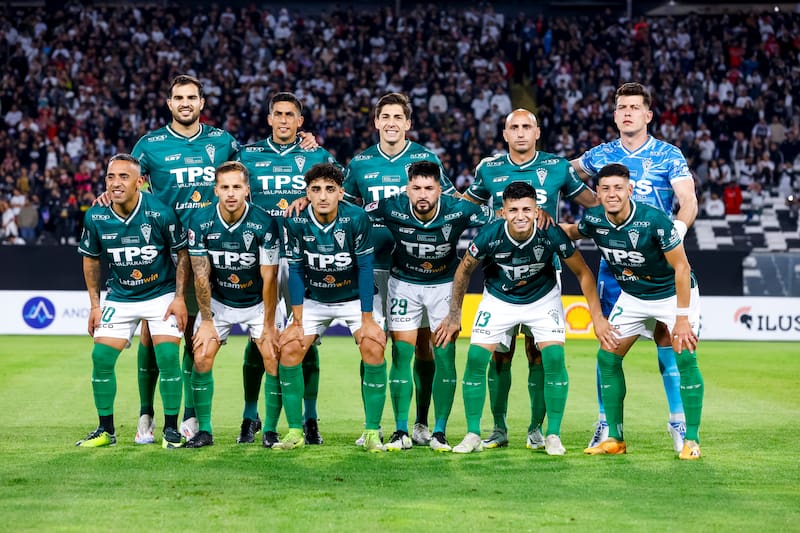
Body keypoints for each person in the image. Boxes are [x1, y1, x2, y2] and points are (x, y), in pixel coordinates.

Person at [434, 181, 615, 454]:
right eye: (514, 209)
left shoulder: (550, 233)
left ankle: (550, 434)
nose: (521, 215)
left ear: (536, 210)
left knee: (552, 358)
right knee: (476, 359)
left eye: (527, 209)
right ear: (503, 212)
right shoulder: (489, 234)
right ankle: (474, 434)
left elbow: (583, 272)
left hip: (542, 299)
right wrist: (454, 315)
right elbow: (463, 270)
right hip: (499, 298)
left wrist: (598, 317)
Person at [572, 82, 698, 452]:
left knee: (669, 343)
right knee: (608, 345)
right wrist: (593, 205)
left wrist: (677, 228)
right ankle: (607, 425)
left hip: (657, 263)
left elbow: (688, 199)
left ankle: (679, 423)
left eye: (634, 107)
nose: (627, 112)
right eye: (621, 107)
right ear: (614, 116)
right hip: (615, 266)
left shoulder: (667, 155)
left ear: (648, 114)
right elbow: (564, 174)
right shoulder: (601, 155)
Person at [463, 108, 598, 450]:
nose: (521, 132)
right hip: (500, 272)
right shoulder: (489, 169)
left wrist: (575, 230)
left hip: (544, 269)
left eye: (527, 127)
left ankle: (537, 429)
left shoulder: (557, 168)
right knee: (499, 356)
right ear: (504, 134)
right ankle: (498, 428)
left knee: (538, 354)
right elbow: (464, 206)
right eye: (514, 127)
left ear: (537, 132)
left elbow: (593, 205)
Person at [560, 163, 704, 460]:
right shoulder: (595, 219)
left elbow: (682, 267)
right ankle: (615, 437)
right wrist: (542, 223)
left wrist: (681, 319)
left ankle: (691, 439)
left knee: (685, 355)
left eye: (618, 188)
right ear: (597, 192)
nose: (612, 194)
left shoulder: (654, 221)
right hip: (634, 296)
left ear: (630, 190)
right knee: (607, 356)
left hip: (671, 294)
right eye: (605, 188)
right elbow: (573, 232)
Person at [129, 74, 240, 444]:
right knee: (153, 332)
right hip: (163, 252)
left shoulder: (223, 142)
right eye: (179, 97)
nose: (185, 103)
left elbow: (249, 172)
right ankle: (146, 413)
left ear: (202, 103)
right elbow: (127, 185)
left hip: (208, 251)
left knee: (196, 331)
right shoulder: (149, 145)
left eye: (192, 97)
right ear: (169, 103)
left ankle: (190, 415)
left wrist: (306, 142)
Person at [343, 92, 456, 446]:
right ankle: (371, 426)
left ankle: (421, 423)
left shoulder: (426, 159)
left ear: (408, 123)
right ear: (376, 121)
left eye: (398, 117)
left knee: (422, 346)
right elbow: (344, 204)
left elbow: (449, 201)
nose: (391, 123)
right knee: (372, 345)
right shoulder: (360, 163)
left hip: (415, 268)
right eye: (385, 117)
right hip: (374, 267)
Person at [236, 92, 340, 447]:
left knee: (304, 340)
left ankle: (309, 419)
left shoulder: (316, 155)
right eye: (277, 114)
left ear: (300, 121)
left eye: (290, 115)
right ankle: (251, 417)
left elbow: (341, 195)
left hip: (303, 259)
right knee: (257, 338)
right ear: (269, 119)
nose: (283, 120)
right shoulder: (247, 155)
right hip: (258, 258)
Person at [364, 161, 490, 452]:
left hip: (444, 286)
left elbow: (497, 217)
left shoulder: (459, 209)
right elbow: (353, 207)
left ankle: (440, 432)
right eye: (416, 188)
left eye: (429, 189)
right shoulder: (390, 206)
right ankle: (399, 431)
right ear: (407, 188)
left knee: (445, 355)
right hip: (403, 284)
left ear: (439, 190)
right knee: (402, 353)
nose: (423, 194)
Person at [75, 154, 188, 448]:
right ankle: (105, 431)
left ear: (140, 182)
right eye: (111, 177)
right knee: (100, 358)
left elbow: (182, 255)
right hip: (121, 296)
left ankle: (171, 429)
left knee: (166, 357)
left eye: (124, 177)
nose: (116, 183)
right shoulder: (95, 216)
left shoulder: (160, 213)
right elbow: (91, 261)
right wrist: (95, 305)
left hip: (160, 294)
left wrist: (178, 298)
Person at [278, 163, 387, 452]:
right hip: (315, 300)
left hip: (352, 299)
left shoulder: (357, 218)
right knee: (289, 347)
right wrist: (297, 320)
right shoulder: (295, 220)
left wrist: (367, 320)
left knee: (373, 344)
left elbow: (365, 268)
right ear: (307, 193)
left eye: (329, 189)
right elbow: (296, 271)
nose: (323, 196)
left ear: (341, 193)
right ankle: (293, 431)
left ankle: (372, 432)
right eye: (316, 190)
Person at [183, 161, 280, 448]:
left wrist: (268, 326)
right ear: (216, 190)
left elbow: (270, 278)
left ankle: (271, 430)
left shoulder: (263, 222)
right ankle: (205, 430)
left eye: (237, 187)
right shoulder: (200, 221)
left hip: (257, 301)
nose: (231, 193)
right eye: (225, 187)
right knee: (201, 354)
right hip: (220, 301)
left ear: (247, 190)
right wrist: (207, 321)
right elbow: (201, 276)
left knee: (272, 356)